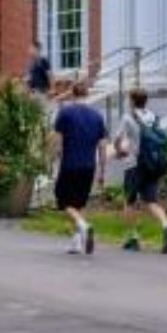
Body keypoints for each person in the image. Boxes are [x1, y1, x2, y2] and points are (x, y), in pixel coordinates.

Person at [111, 90, 167, 253]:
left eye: (130, 99)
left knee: (130, 201)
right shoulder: (154, 117)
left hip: (134, 165)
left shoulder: (128, 117)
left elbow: (117, 139)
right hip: (152, 164)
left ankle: (133, 238)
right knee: (152, 201)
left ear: (133, 101)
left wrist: (119, 152)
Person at [50, 80, 108, 255]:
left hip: (70, 164)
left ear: (72, 94)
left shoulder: (65, 113)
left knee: (64, 201)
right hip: (89, 166)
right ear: (87, 94)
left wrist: (53, 162)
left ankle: (84, 226)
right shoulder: (98, 117)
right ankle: (76, 242)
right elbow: (103, 146)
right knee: (79, 204)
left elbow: (57, 141)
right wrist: (102, 171)